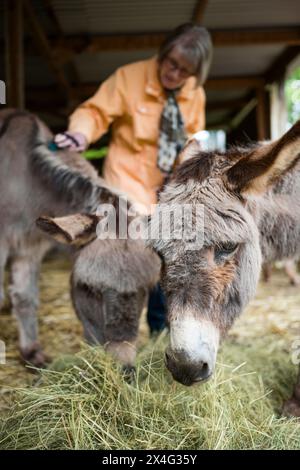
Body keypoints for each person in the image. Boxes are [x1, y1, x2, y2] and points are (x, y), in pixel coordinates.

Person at [54, 23, 213, 334]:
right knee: (126, 261)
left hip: (166, 190)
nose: (175, 74)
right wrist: (80, 134)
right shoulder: (129, 77)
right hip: (124, 186)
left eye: (185, 71)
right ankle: (115, 334)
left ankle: (159, 330)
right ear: (164, 52)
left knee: (168, 257)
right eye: (172, 64)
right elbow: (95, 112)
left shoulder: (195, 94)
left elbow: (192, 138)